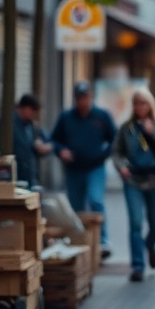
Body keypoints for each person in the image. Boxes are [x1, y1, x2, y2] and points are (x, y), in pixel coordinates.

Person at [111, 88, 155, 282]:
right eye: (136, 103)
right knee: (135, 223)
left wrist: (153, 134)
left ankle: (150, 245)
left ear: (150, 104)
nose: (140, 107)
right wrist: (121, 167)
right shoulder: (127, 127)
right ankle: (138, 266)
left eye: (144, 102)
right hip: (133, 180)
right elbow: (116, 152)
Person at [51, 81, 117, 258]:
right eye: (80, 98)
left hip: (95, 167)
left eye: (86, 97)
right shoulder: (66, 117)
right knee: (76, 207)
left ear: (91, 97)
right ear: (75, 99)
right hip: (74, 169)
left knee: (96, 200)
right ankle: (79, 241)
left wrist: (103, 155)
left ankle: (103, 240)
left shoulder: (101, 116)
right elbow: (54, 140)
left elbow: (115, 139)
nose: (83, 101)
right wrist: (61, 150)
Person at [0, 93, 52, 188]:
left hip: (30, 179)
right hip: (11, 178)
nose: (34, 116)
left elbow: (49, 142)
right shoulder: (6, 122)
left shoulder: (32, 126)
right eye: (33, 112)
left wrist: (43, 147)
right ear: (26, 109)